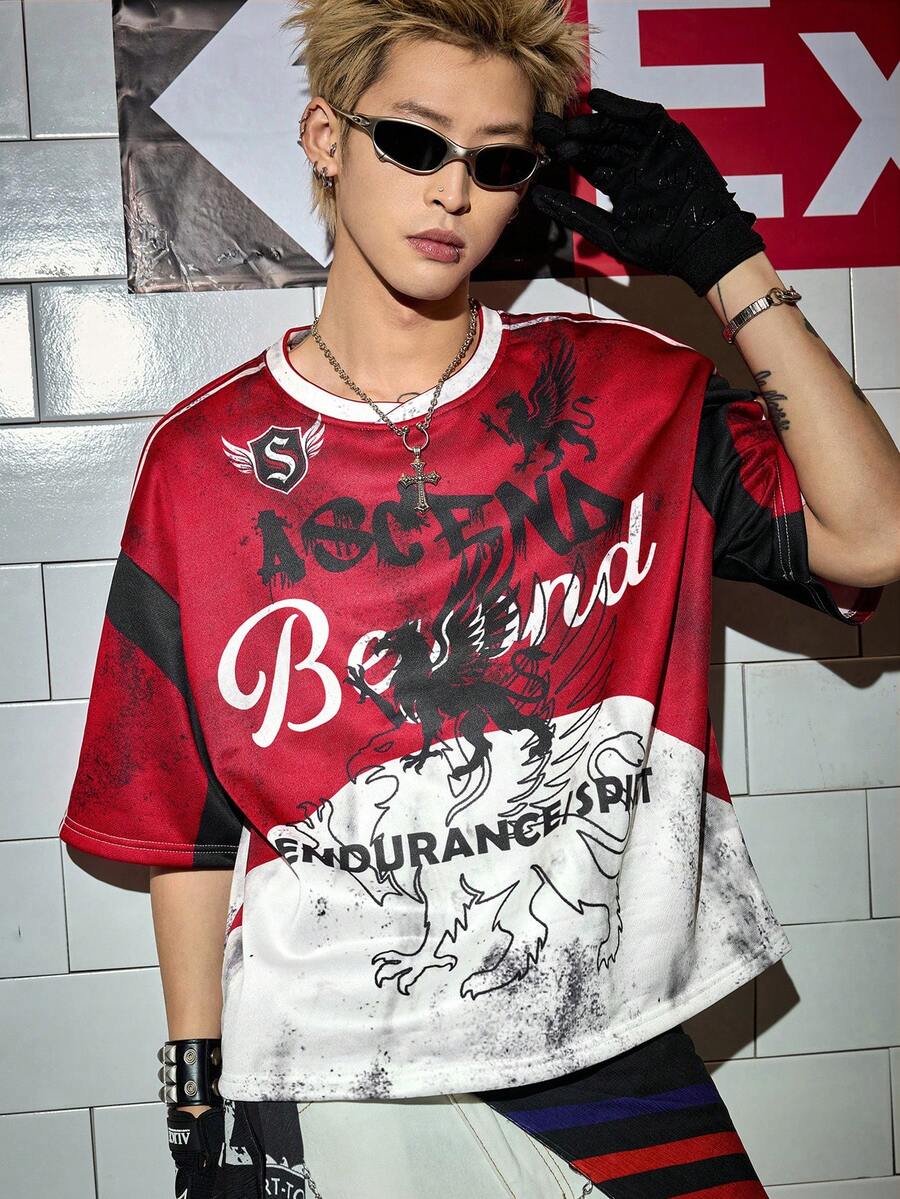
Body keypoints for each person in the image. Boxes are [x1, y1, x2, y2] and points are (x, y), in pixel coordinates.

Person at [57, 0, 900, 1196]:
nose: (453, 191)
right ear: (325, 139)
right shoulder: (204, 464)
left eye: (496, 162)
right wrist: (199, 1094)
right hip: (331, 1067)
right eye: (414, 142)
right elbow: (185, 819)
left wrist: (729, 262)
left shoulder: (622, 394)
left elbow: (874, 536)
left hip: (600, 1039)